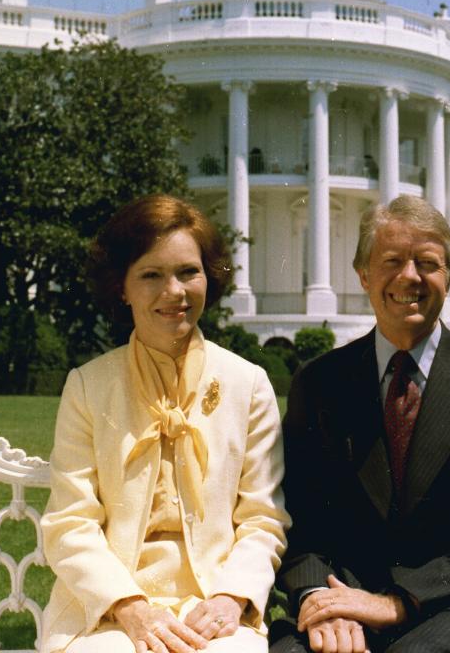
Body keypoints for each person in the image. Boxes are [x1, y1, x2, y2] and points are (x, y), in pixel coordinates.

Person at [270, 195, 450, 653]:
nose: (410, 277)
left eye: (427, 263)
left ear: (449, 277)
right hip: (348, 597)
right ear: (363, 274)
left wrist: (399, 602)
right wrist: (321, 595)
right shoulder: (318, 383)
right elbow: (299, 518)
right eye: (392, 261)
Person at [40, 194, 290, 653]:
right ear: (122, 287)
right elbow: (70, 522)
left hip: (214, 603)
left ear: (208, 279)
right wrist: (131, 608)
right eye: (151, 275)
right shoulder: (88, 386)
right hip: (107, 608)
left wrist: (231, 599)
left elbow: (263, 519)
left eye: (187, 272)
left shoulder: (248, 384)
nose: (173, 292)